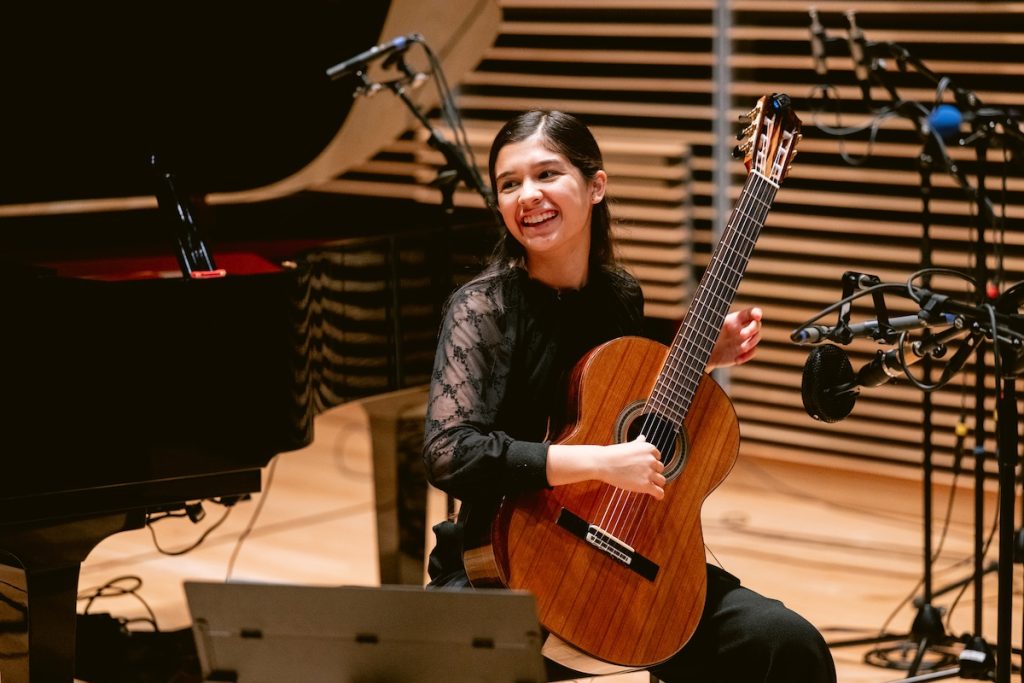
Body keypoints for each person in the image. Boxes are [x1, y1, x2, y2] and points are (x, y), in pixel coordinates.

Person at [422, 110, 836, 682]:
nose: (528, 195)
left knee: (783, 645)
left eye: (547, 174)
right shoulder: (484, 309)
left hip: (638, 553)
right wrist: (597, 462)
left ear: (596, 186)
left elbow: (618, 389)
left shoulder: (619, 296)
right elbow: (450, 452)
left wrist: (696, 356)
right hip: (506, 563)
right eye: (509, 183)